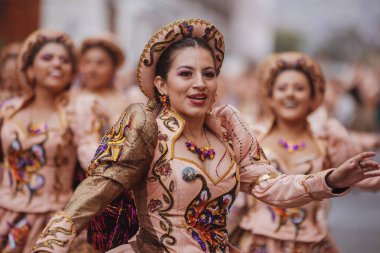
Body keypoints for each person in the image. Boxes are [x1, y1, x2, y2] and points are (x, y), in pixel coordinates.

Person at [32, 19, 380, 253]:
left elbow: (270, 186)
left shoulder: (228, 128)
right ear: (161, 84)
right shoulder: (146, 125)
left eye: (209, 73)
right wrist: (55, 238)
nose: (200, 83)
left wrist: (332, 179)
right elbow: (99, 187)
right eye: (186, 73)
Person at [229, 52, 380, 253]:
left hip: (311, 244)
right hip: (258, 243)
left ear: (313, 97)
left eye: (299, 88)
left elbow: (362, 179)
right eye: (282, 88)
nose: (290, 94)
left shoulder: (327, 140)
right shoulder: (250, 137)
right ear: (270, 97)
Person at [0, 29, 101, 253]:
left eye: (64, 60)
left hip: (52, 222)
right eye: (47, 58)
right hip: (4, 215)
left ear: (72, 73)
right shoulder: (8, 110)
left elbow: (90, 153)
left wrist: (111, 162)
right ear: (29, 69)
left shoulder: (79, 110)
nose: (57, 64)